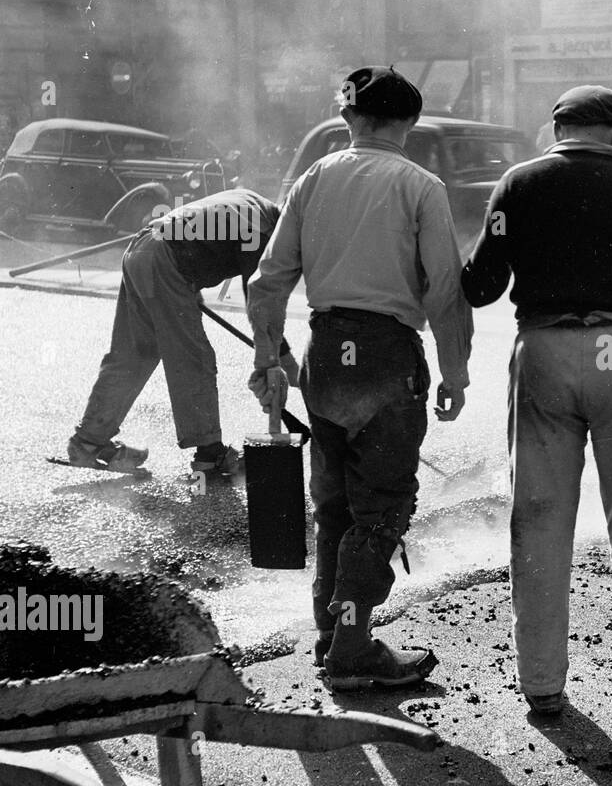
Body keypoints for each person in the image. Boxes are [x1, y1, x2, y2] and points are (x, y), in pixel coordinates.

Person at [461, 84, 612, 717]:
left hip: (544, 351)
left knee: (539, 522)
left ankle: (541, 685)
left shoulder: (515, 185)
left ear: (555, 128)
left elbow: (480, 287)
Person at [247, 66, 472, 692]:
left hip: (325, 356)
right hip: (386, 359)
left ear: (348, 119)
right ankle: (352, 649)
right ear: (409, 124)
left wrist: (269, 357)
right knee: (382, 509)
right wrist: (455, 372)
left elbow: (268, 282)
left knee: (335, 506)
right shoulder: (421, 186)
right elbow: (445, 291)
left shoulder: (312, 179)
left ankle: (331, 632)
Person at [67, 188, 290, 476]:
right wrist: (276, 358)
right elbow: (259, 300)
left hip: (142, 248)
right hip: (166, 259)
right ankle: (210, 455)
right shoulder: (262, 231)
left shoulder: (250, 201)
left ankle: (88, 442)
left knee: (134, 354)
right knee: (193, 357)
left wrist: (189, 283)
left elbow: (202, 235)